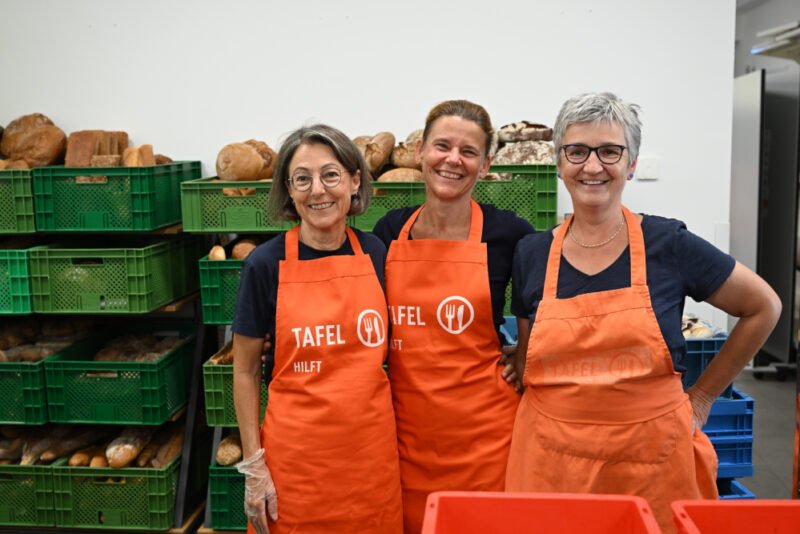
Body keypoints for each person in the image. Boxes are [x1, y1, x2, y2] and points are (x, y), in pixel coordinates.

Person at [505, 92, 781, 533]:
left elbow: (764, 306)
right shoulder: (532, 254)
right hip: (550, 461)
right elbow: (529, 357)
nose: (592, 166)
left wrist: (705, 396)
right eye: (576, 151)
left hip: (650, 460)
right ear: (559, 162)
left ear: (631, 164)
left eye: (610, 151)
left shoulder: (668, 244)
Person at [372, 99, 534, 533]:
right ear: (422, 150)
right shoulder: (389, 233)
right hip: (406, 436)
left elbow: (548, 300)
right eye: (442, 145)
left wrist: (527, 351)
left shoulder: (511, 235)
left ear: (484, 166)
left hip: (484, 440)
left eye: (468, 152)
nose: (452, 160)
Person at [232, 124, 402, 534]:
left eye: (330, 175)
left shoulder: (377, 253)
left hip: (369, 458)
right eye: (302, 179)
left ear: (354, 180)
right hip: (297, 464)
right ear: (289, 191)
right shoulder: (265, 264)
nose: (317, 190)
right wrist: (254, 466)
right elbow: (245, 371)